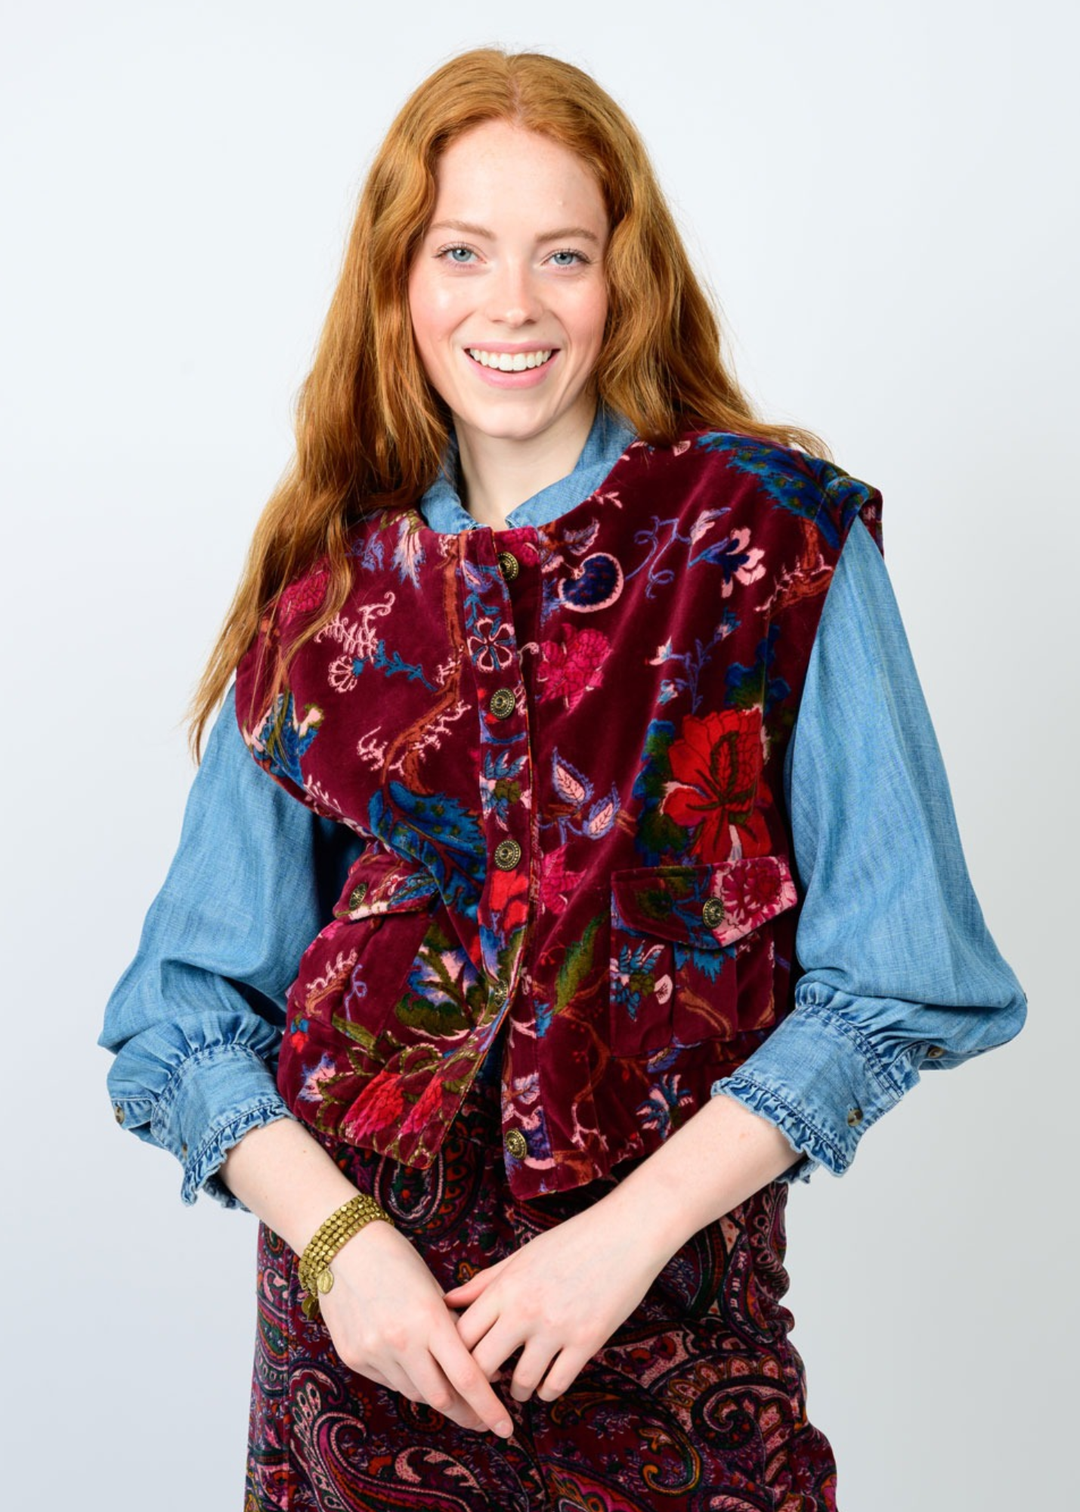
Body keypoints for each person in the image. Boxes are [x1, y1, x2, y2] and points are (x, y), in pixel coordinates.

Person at [98, 45, 1027, 1512]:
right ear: (402, 281)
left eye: (563, 254)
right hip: (359, 1365)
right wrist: (346, 1257)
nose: (512, 303)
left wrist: (627, 1235)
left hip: (671, 1347)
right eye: (463, 251)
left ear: (624, 278)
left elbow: (905, 974)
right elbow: (180, 1018)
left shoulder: (768, 544)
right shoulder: (325, 590)